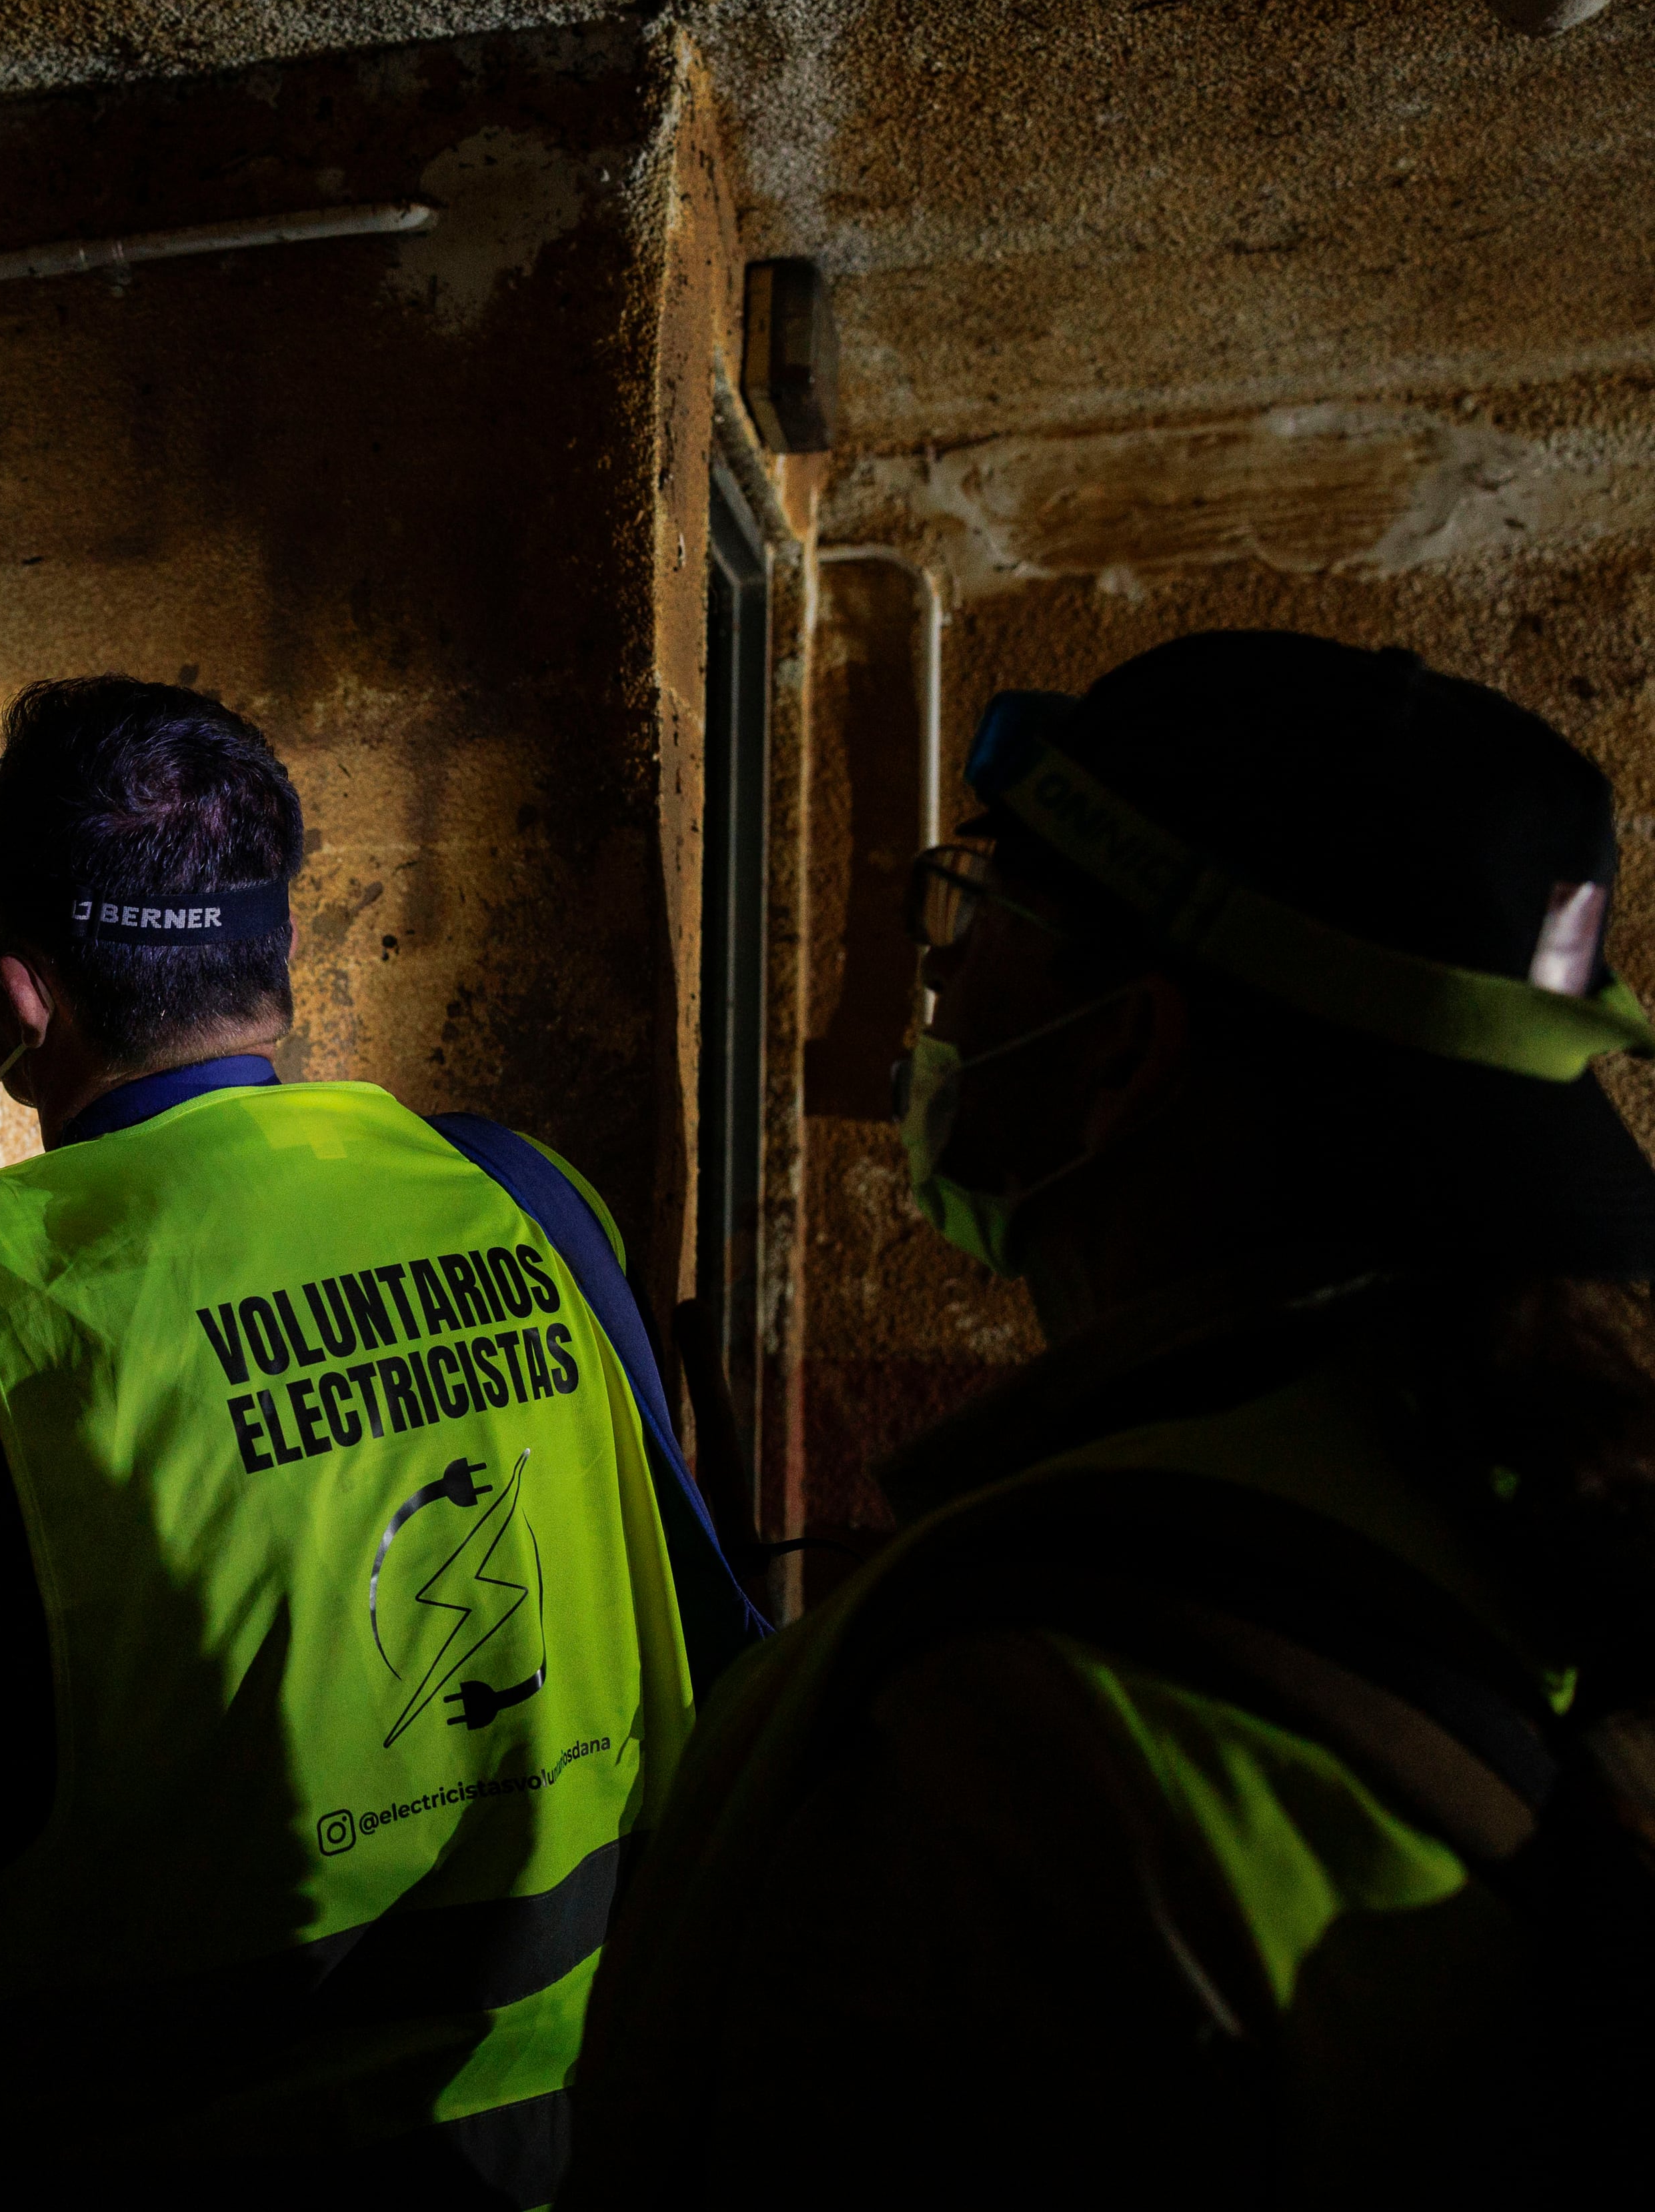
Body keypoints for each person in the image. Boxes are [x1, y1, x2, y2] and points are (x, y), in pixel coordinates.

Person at [0, 678, 763, 2209]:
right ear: (273, 957)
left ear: (19, 1000)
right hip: (591, 2153)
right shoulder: (526, 1202)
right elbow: (723, 1658)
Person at [563, 631, 1655, 2205]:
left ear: (1124, 1054)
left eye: (984, 920)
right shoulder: (1528, 1498)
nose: (936, 978)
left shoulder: (1008, 1745)